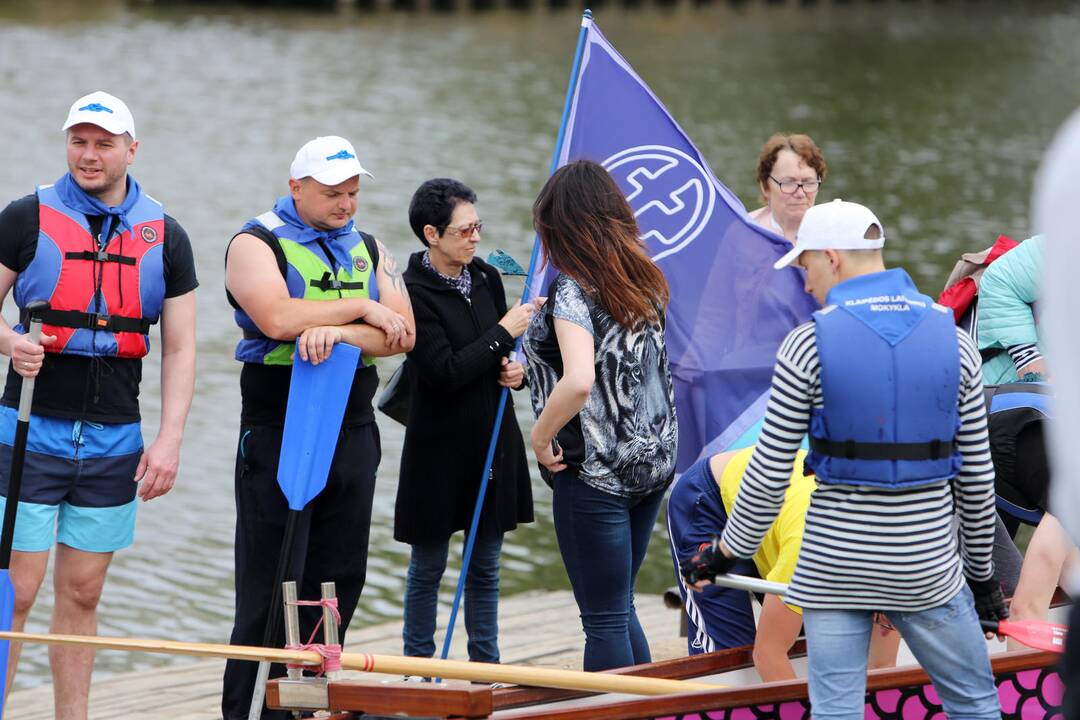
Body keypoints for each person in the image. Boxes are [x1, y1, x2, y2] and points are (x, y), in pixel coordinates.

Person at [682, 199, 1006, 719]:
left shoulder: (806, 344)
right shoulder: (954, 339)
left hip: (834, 566)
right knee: (974, 703)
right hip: (923, 564)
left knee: (836, 711)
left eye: (806, 267)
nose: (805, 284)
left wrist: (724, 552)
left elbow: (768, 475)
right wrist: (984, 578)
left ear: (832, 257)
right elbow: (976, 479)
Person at [0, 91, 197, 719]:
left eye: (103, 143)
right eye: (78, 141)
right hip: (28, 429)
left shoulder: (167, 235)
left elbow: (181, 349)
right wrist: (9, 340)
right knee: (15, 591)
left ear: (130, 150)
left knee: (83, 593)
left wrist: (168, 441)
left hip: (115, 438)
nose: (89, 154)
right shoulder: (25, 217)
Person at [222, 136, 414, 719]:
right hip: (281, 422)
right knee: (271, 583)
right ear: (295, 188)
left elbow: (402, 333)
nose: (346, 204)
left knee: (338, 578)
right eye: (333, 194)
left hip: (351, 424)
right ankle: (247, 712)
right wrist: (360, 310)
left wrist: (344, 332)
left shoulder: (370, 247)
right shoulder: (253, 244)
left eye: (353, 192)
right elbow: (277, 317)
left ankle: (305, 706)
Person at [523, 160, 678, 672]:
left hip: (597, 473)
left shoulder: (573, 289)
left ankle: (613, 707)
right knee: (620, 604)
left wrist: (540, 438)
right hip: (651, 463)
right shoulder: (643, 276)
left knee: (605, 619)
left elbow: (581, 380)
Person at [394, 178, 535, 663]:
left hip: (492, 436)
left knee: (486, 564)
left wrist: (515, 372)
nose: (475, 238)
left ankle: (485, 666)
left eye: (478, 227)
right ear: (432, 234)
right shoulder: (411, 291)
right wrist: (504, 332)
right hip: (437, 444)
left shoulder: (487, 278)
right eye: (465, 230)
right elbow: (444, 370)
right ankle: (417, 667)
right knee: (427, 565)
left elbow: (494, 360)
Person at [667, 447, 900, 680]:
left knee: (811, 644)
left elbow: (881, 667)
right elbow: (768, 654)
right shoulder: (810, 554)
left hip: (781, 516)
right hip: (714, 501)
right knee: (731, 662)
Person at [747, 133, 827, 243]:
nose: (800, 193)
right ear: (765, 187)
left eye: (808, 182)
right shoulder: (744, 233)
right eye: (788, 182)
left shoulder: (835, 235)